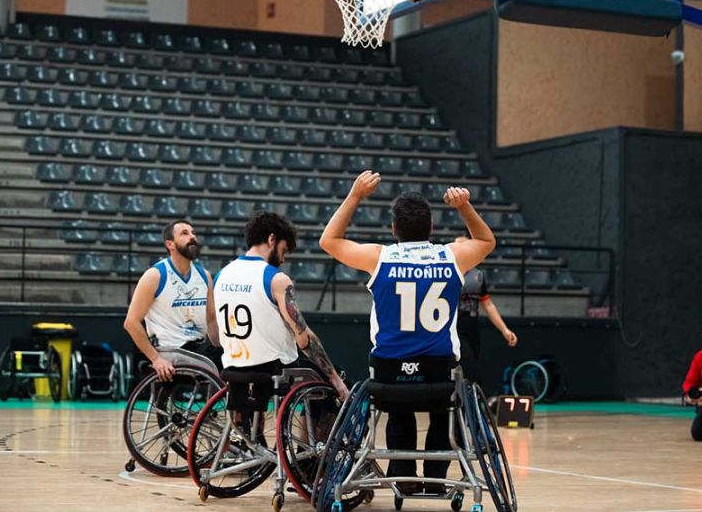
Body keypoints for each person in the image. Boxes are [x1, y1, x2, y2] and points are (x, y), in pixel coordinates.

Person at [319, 170, 496, 493]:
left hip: (389, 376)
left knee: (399, 410)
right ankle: (436, 477)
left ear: (393, 229)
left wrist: (356, 195)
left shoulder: (379, 256)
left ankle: (403, 475)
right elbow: (487, 241)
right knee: (444, 410)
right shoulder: (451, 255)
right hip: (438, 374)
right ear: (431, 228)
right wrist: (465, 207)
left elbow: (328, 241)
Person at [213, 210, 348, 401]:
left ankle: (246, 426)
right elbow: (304, 339)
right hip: (274, 368)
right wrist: (334, 377)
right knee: (334, 379)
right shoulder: (276, 279)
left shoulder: (221, 275)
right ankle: (308, 431)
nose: (283, 259)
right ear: (271, 239)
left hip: (232, 366)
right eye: (284, 250)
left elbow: (214, 327)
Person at [123, 220, 220, 381]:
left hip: (196, 348)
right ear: (170, 244)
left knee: (234, 356)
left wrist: (223, 347)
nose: (192, 237)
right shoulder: (155, 275)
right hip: (171, 350)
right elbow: (131, 323)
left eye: (193, 232)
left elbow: (211, 319)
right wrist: (155, 359)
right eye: (185, 233)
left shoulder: (205, 276)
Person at [455, 233, 517, 384]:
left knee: (473, 359)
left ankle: (471, 399)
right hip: (455, 323)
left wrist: (504, 329)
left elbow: (488, 304)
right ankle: (475, 396)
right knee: (467, 362)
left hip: (472, 323)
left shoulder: (478, 276)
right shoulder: (449, 272)